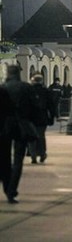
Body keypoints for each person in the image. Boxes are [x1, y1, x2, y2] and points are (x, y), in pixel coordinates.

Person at [3, 65, 38, 204]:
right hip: (22, 125)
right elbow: (34, 106)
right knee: (18, 159)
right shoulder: (26, 87)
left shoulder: (3, 87)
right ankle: (12, 190)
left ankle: (7, 188)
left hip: (4, 126)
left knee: (5, 159)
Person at [28, 74, 56, 163]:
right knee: (41, 136)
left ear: (33, 81)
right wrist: (52, 117)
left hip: (30, 118)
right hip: (42, 117)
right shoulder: (46, 91)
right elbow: (51, 105)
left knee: (31, 136)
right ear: (41, 81)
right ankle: (42, 153)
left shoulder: (29, 91)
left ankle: (33, 155)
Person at [0, 84, 15, 204]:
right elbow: (10, 111)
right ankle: (9, 191)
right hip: (3, 134)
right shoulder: (3, 92)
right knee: (5, 163)